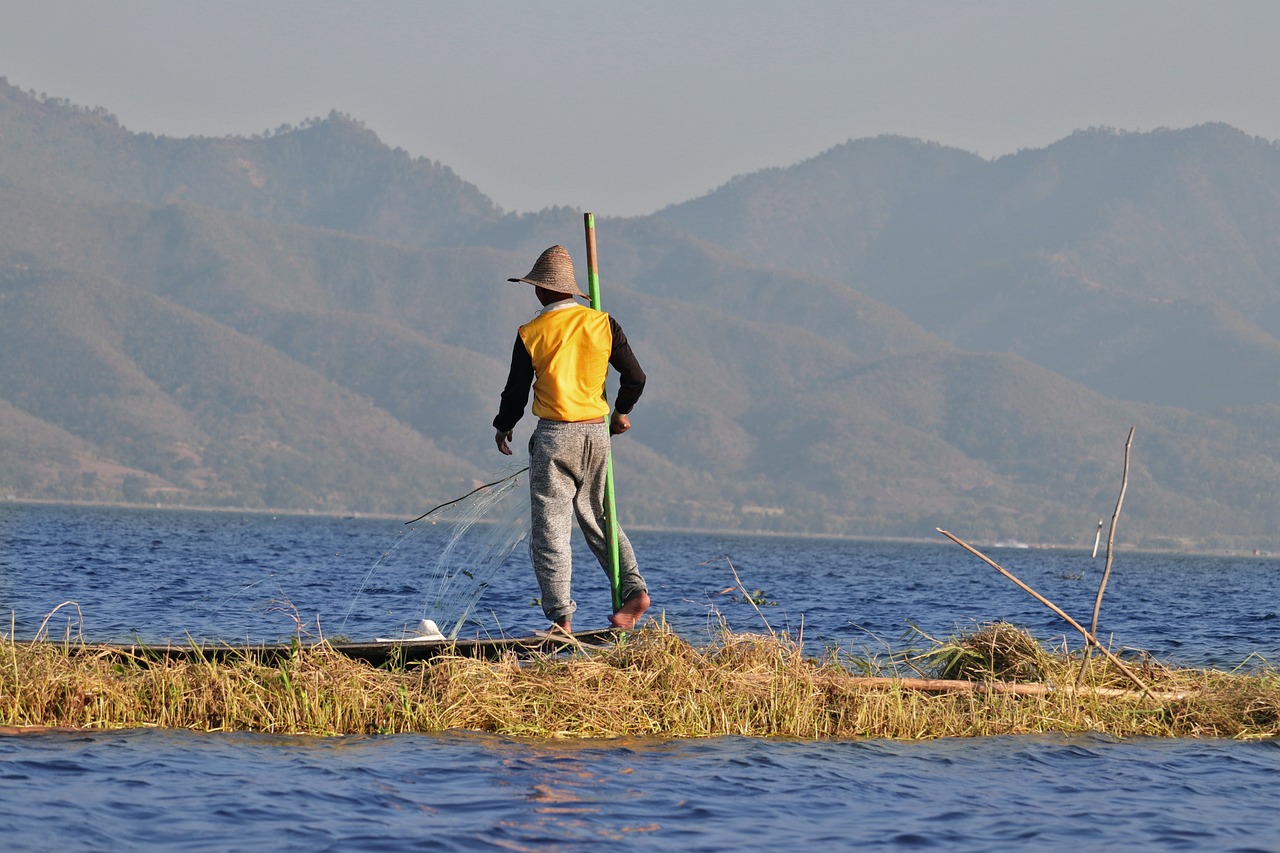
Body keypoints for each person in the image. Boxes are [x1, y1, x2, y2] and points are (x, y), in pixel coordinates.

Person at [493, 244, 650, 634]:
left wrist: (503, 424)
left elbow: (516, 390)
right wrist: (621, 411)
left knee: (551, 529)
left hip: (556, 436)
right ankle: (634, 592)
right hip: (597, 433)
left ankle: (561, 619)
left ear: (541, 290)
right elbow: (636, 378)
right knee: (599, 517)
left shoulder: (531, 332)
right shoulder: (603, 323)